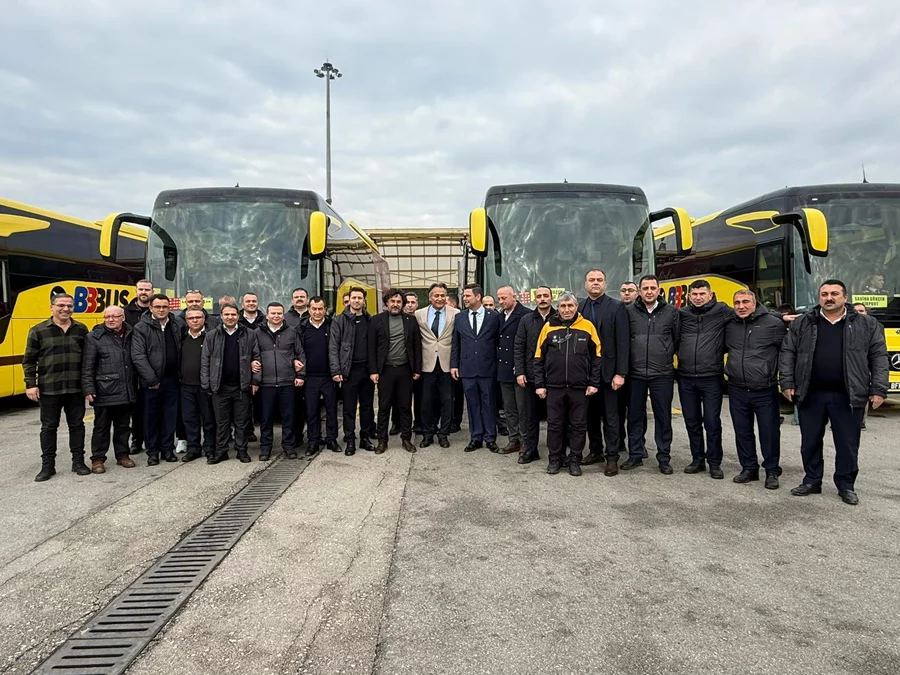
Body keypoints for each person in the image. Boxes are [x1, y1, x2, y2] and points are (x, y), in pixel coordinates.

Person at [781, 280, 889, 505]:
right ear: (819, 297)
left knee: (847, 443)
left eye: (834, 294)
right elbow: (788, 352)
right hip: (811, 393)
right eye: (824, 294)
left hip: (848, 395)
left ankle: (846, 485)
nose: (829, 298)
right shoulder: (803, 322)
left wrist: (879, 388)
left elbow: (878, 357)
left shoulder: (866, 324)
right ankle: (812, 480)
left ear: (845, 297)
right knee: (810, 441)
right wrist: (787, 382)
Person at [24, 293, 91, 481]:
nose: (65, 309)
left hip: (75, 389)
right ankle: (48, 466)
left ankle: (78, 462)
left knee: (77, 426)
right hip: (49, 389)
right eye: (61, 305)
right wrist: (31, 384)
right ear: (51, 307)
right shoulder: (38, 331)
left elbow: (88, 359)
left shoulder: (81, 329)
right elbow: (29, 360)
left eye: (69, 306)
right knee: (48, 428)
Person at [724, 290, 787, 488]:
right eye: (737, 302)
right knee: (742, 432)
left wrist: (786, 382)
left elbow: (786, 353)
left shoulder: (774, 324)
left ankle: (772, 471)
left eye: (745, 302)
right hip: (736, 388)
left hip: (764, 389)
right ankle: (749, 468)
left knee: (769, 433)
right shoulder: (730, 325)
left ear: (755, 303)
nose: (741, 306)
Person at [534, 291, 601, 476]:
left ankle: (574, 460)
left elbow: (597, 357)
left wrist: (594, 382)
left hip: (580, 387)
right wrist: (539, 384)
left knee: (578, 426)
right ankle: (555, 459)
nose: (566, 309)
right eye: (563, 306)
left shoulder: (588, 326)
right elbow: (538, 357)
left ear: (576, 307)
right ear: (558, 308)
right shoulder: (548, 327)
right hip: (554, 387)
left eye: (570, 305)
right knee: (554, 425)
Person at [621, 275, 680, 474]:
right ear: (639, 291)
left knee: (663, 418)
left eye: (652, 288)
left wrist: (664, 355)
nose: (649, 291)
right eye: (645, 288)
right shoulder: (629, 312)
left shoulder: (671, 312)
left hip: (662, 373)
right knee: (635, 416)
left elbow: (676, 339)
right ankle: (635, 455)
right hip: (635, 373)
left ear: (659, 290)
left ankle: (664, 458)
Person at [676, 279, 731, 479]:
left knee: (712, 422)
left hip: (711, 377)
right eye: (694, 294)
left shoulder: (722, 311)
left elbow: (748, 312)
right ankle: (697, 459)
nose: (698, 298)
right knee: (692, 421)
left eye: (702, 294)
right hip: (686, 377)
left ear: (710, 294)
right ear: (689, 296)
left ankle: (714, 463)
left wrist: (781, 317)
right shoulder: (682, 314)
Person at [578, 269, 629, 476]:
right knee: (590, 416)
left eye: (599, 280)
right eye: (591, 280)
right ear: (585, 284)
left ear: (605, 284)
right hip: (586, 374)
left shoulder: (617, 307)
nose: (595, 283)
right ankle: (595, 451)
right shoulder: (579, 307)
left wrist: (621, 373)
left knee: (611, 418)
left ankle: (612, 457)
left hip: (609, 373)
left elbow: (623, 343)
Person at [201, 303, 261, 463]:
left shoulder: (249, 334)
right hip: (220, 386)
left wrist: (255, 380)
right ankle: (221, 451)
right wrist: (206, 384)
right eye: (226, 314)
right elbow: (205, 361)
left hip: (242, 386)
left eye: (233, 314)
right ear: (221, 316)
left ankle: (242, 451)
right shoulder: (212, 335)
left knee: (242, 422)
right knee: (222, 422)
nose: (230, 317)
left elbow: (257, 357)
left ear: (238, 316)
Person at [82, 306, 137, 473]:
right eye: (107, 317)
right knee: (101, 427)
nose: (111, 320)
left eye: (115, 316)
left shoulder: (131, 333)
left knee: (123, 426)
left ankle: (123, 455)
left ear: (123, 317)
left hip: (126, 387)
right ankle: (98, 459)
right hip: (104, 389)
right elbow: (88, 365)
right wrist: (88, 388)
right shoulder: (94, 337)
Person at [369, 288, 422, 454]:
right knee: (384, 407)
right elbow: (371, 348)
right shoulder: (376, 320)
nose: (395, 304)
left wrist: (417, 369)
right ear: (387, 302)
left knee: (405, 407)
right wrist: (373, 371)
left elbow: (416, 346)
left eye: (399, 301)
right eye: (392, 301)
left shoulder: (411, 321)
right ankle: (382, 441)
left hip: (405, 370)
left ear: (402, 304)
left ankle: (406, 439)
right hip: (385, 371)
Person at [132, 293, 182, 466]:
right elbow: (138, 356)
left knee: (169, 417)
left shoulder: (176, 324)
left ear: (169, 308)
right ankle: (153, 452)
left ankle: (168, 449)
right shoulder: (141, 327)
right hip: (151, 382)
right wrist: (151, 379)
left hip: (172, 380)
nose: (161, 310)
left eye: (165, 307)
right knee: (150, 418)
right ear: (151, 308)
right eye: (158, 307)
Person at [451, 283, 502, 452]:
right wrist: (454, 365)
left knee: (489, 404)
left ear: (478, 296)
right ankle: (476, 437)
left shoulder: (493, 317)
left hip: (488, 368)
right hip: (467, 368)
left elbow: (498, 342)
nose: (464, 298)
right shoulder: (460, 317)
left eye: (467, 296)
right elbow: (456, 343)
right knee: (472, 404)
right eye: (464, 296)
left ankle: (490, 438)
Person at [256, 302, 305, 461]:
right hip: (266, 383)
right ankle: (265, 448)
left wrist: (300, 375)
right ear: (267, 315)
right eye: (273, 313)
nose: (276, 316)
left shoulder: (291, 332)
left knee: (288, 417)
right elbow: (252, 355)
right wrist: (255, 378)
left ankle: (289, 447)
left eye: (279, 313)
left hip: (287, 382)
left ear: (283, 315)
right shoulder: (257, 333)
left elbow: (300, 354)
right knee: (266, 418)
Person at [330, 287, 376, 454]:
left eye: (359, 298)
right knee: (349, 408)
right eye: (354, 298)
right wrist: (336, 370)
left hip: (367, 370)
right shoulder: (339, 320)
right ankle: (350, 440)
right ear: (349, 300)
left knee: (367, 407)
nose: (357, 301)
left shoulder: (370, 319)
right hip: (349, 371)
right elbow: (333, 347)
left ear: (364, 300)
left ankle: (365, 438)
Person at [514, 286, 556, 464]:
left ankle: (557, 452)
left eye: (546, 296)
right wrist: (520, 371)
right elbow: (519, 347)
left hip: (555, 376)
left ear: (552, 298)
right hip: (531, 375)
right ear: (535, 299)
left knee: (555, 417)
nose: (542, 299)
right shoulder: (526, 320)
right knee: (530, 416)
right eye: (539, 296)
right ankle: (531, 450)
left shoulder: (559, 318)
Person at [415, 283, 459, 449]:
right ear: (430, 297)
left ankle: (443, 434)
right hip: (427, 364)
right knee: (426, 402)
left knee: (447, 401)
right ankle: (427, 434)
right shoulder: (419, 314)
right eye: (436, 295)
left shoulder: (456, 313)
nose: (440, 298)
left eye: (442, 295)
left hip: (447, 365)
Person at [298, 297, 340, 456]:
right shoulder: (302, 328)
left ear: (325, 309)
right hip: (310, 377)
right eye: (314, 309)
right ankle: (313, 441)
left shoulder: (332, 325)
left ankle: (332, 439)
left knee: (331, 410)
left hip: (329, 376)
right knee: (312, 411)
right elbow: (297, 350)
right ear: (309, 309)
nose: (317, 312)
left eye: (320, 309)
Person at [496, 286, 530, 455]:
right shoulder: (499, 316)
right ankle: (513, 439)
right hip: (503, 368)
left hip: (519, 369)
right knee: (509, 408)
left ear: (514, 296)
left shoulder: (526, 314)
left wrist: (521, 367)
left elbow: (528, 345)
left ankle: (525, 441)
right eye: (499, 299)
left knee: (523, 408)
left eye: (504, 298)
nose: (501, 301)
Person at [179, 307, 216, 462]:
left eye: (198, 317)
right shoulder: (181, 337)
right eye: (191, 318)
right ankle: (193, 449)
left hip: (205, 386)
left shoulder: (211, 336)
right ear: (186, 321)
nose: (194, 320)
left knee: (208, 419)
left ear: (204, 319)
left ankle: (210, 448)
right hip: (186, 385)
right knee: (190, 419)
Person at [124, 279, 154, 454]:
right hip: (132, 365)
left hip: (154, 365)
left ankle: (152, 440)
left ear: (152, 291)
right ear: (136, 291)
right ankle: (136, 439)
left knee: (150, 406)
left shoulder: (157, 311)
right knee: (135, 407)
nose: (144, 292)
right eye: (141, 289)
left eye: (147, 289)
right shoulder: (126, 312)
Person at [392, 291, 422, 435]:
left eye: (413, 302)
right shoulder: (398, 319)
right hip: (400, 365)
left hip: (417, 364)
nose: (410, 305)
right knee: (397, 397)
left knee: (418, 396)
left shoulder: (421, 318)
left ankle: (418, 423)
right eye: (408, 302)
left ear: (417, 304)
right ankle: (396, 423)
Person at [285, 287, 310, 450]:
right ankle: (296, 436)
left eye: (302, 296)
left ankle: (314, 437)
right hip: (293, 368)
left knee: (311, 405)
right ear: (292, 300)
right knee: (294, 406)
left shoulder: (315, 314)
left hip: (313, 367)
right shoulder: (285, 318)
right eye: (296, 297)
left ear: (307, 299)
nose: (299, 299)